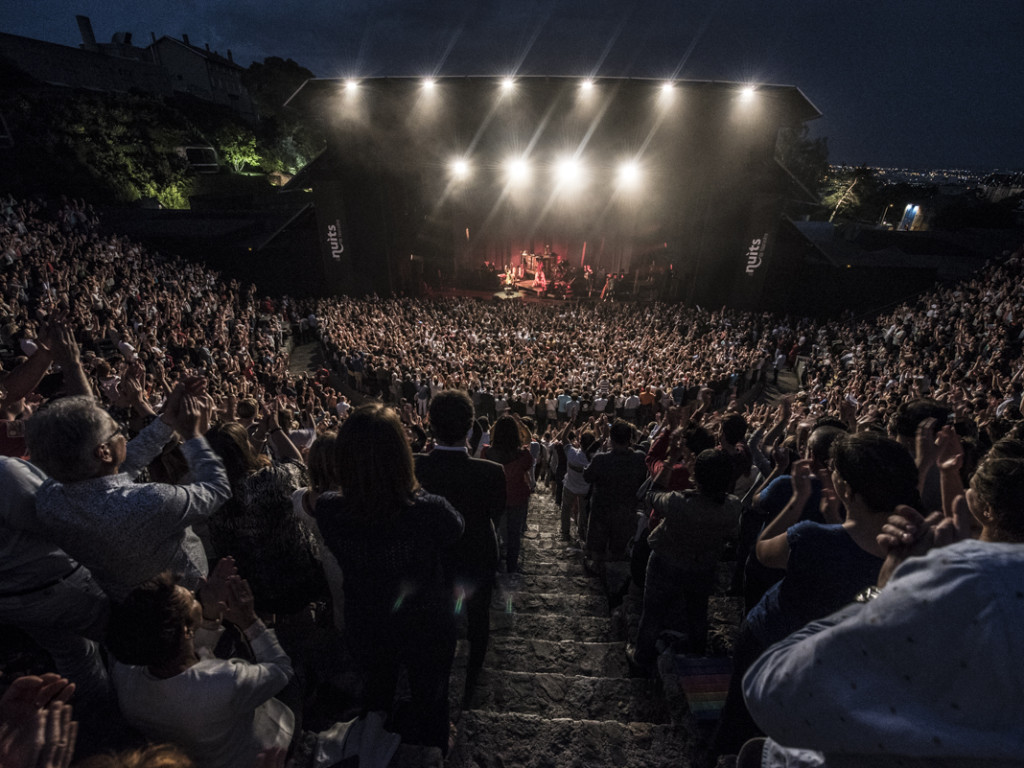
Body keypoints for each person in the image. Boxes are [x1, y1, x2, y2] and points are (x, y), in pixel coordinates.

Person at [711, 432, 922, 759]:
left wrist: (799, 497)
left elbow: (764, 552)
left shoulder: (810, 539)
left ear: (847, 490)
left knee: (739, 721)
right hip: (834, 665)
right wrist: (837, 521)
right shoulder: (912, 557)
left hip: (770, 643)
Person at [314, 404, 463, 753]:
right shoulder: (429, 510)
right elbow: (456, 529)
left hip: (366, 617)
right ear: (402, 454)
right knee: (431, 694)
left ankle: (377, 747)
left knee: (376, 694)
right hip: (424, 622)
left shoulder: (328, 509)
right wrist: (412, 491)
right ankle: (432, 747)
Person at [26, 381, 231, 599]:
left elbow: (116, 466)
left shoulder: (49, 498)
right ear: (103, 452)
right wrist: (194, 436)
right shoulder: (151, 502)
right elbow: (217, 488)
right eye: (116, 430)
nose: (123, 435)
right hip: (185, 593)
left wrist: (167, 421)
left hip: (122, 595)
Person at [414, 390, 506, 707]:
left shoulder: (415, 466)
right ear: (470, 429)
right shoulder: (492, 472)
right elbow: (496, 513)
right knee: (479, 619)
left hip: (432, 558)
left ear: (430, 425)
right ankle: (472, 678)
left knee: (432, 617)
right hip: (478, 554)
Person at [205, 414, 325, 616]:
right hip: (299, 582)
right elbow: (297, 464)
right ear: (245, 448)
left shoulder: (208, 496)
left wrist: (259, 435)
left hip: (252, 592)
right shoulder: (269, 480)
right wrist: (275, 429)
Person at [630, 449, 742, 665]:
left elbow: (651, 495)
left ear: (697, 477)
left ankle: (642, 657)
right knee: (698, 611)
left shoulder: (678, 502)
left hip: (666, 561)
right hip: (703, 565)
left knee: (653, 612)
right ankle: (697, 654)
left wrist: (670, 463)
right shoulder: (733, 506)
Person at [484, 415, 534, 574]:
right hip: (517, 498)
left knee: (494, 532)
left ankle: (496, 563)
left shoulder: (486, 452)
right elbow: (528, 463)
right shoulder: (523, 455)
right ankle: (512, 566)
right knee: (514, 534)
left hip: (494, 498)